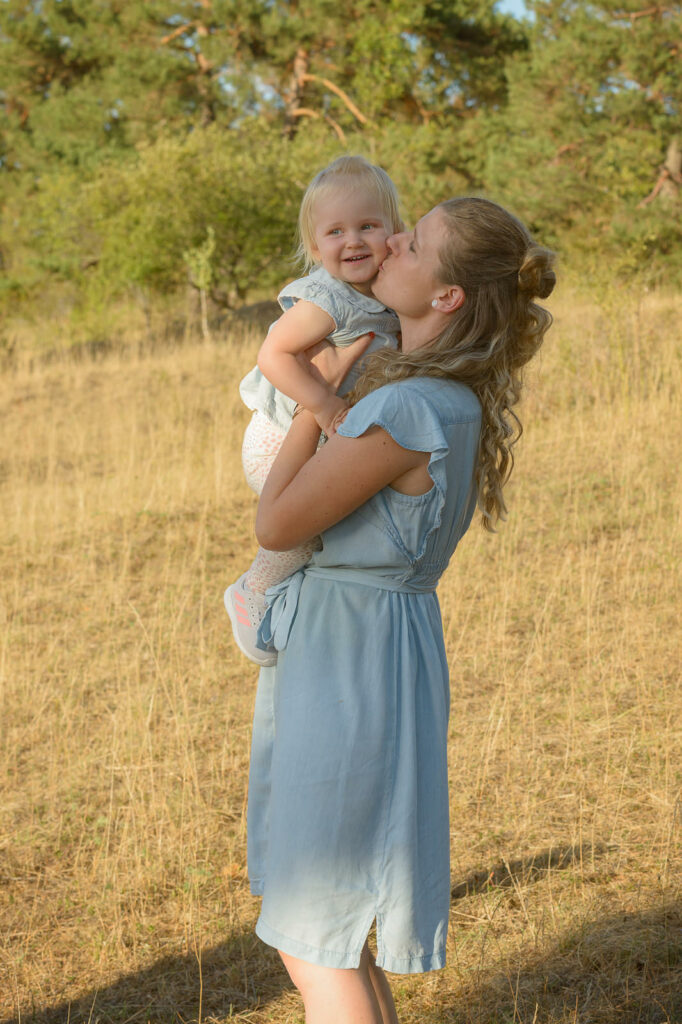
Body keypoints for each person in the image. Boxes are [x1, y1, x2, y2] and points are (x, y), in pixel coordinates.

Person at [246, 196, 556, 1024]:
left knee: (315, 934)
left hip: (354, 664)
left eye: (413, 242)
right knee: (334, 933)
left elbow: (274, 521)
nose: (387, 242)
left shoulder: (406, 406)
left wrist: (323, 400)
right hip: (369, 647)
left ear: (445, 295)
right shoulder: (442, 397)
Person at [224, 156, 403, 666]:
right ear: (314, 246)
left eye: (368, 226)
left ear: (394, 230)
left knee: (328, 525)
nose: (353, 241)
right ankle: (252, 593)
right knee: (310, 524)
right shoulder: (329, 299)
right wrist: (323, 405)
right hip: (278, 438)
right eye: (335, 232)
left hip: (311, 442)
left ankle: (284, 596)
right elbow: (273, 354)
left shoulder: (381, 298)